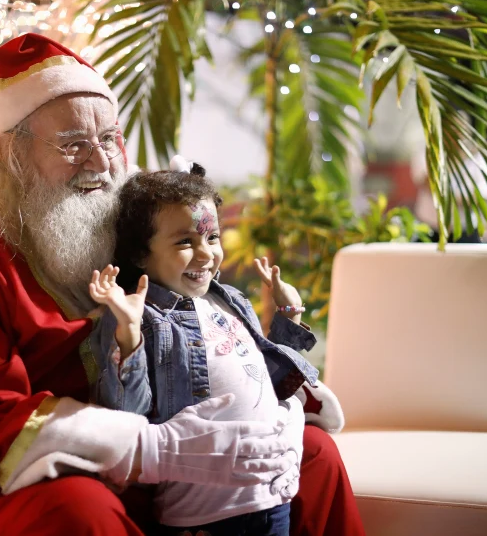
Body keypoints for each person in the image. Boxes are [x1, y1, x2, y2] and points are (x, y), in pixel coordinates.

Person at [0, 31, 365, 536]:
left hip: (164, 460)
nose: (101, 162)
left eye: (109, 139)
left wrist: (265, 405)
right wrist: (153, 449)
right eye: (73, 145)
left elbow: (199, 322)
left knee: (310, 455)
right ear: (13, 156)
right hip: (20, 482)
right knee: (78, 509)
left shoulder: (129, 221)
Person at [90, 163, 320, 536]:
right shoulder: (138, 316)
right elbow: (127, 419)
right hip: (204, 516)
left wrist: (289, 316)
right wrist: (128, 333)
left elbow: (268, 383)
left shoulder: (231, 299)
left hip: (272, 496)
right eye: (185, 242)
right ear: (140, 254)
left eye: (212, 237)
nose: (206, 254)